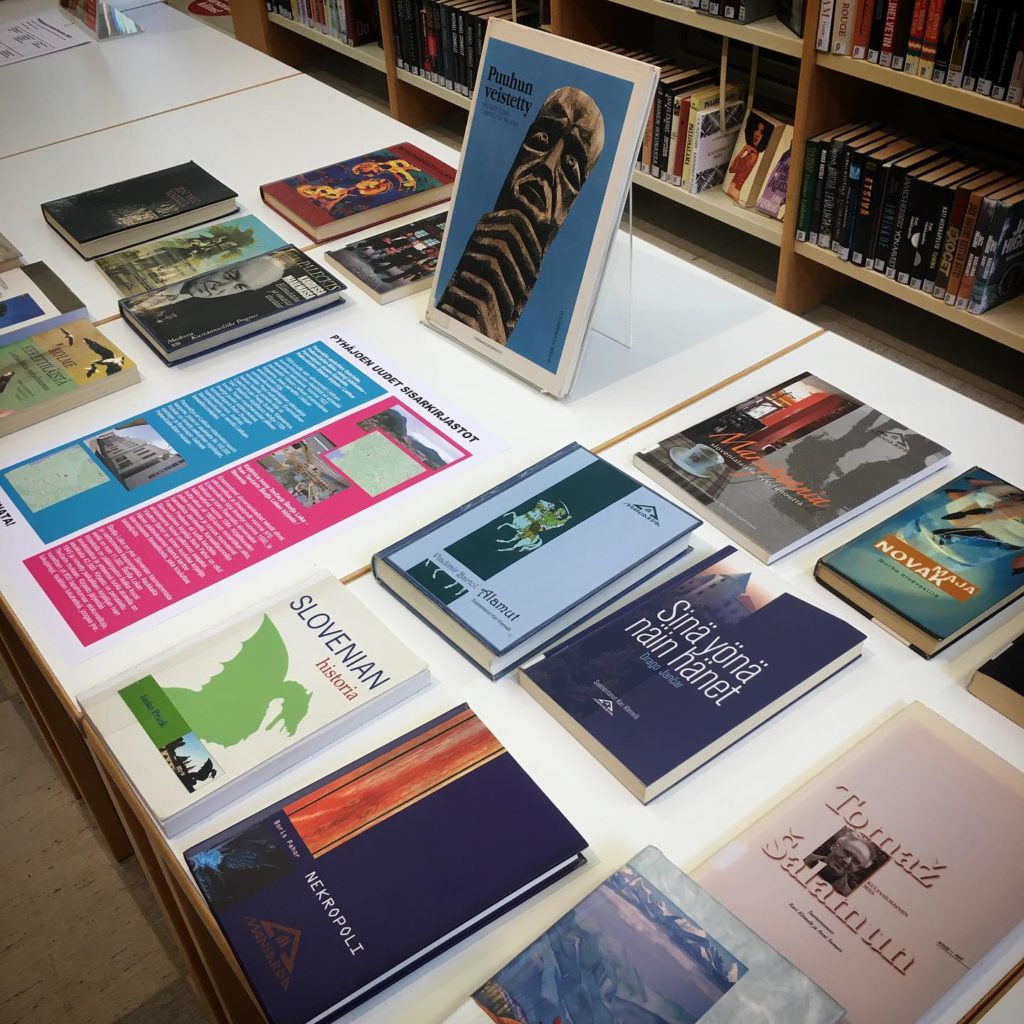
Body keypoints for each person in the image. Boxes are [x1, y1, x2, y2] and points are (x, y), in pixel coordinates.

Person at [127, 255, 286, 317]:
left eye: (240, 287)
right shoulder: (162, 270)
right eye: (230, 275)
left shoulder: (188, 315)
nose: (220, 288)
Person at [804, 829, 878, 896]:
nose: (847, 861)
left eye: (856, 862)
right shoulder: (803, 856)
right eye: (846, 852)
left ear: (857, 869)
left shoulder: (845, 895)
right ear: (834, 846)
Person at [726, 115, 770, 201]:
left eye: (761, 132)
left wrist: (744, 149)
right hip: (734, 186)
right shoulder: (751, 153)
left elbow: (733, 168)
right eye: (756, 129)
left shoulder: (754, 155)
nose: (758, 134)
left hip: (736, 187)